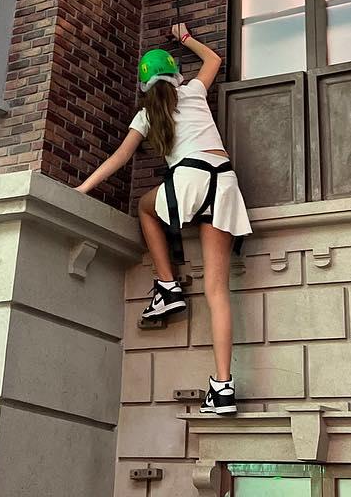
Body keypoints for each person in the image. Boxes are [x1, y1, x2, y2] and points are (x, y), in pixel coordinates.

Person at [76, 23, 252, 415]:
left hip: (188, 179)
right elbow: (214, 60)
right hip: (223, 181)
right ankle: (223, 387)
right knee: (218, 291)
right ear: (176, 75)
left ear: (144, 85)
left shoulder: (145, 115)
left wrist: (83, 189)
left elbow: (120, 158)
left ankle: (168, 286)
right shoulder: (193, 92)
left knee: (145, 208)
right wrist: (185, 38)